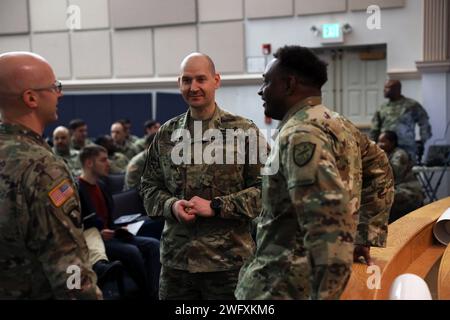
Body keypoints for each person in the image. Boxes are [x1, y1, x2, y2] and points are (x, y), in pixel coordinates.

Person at [235, 45, 393, 300]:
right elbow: (381, 167)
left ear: (288, 84)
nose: (261, 91)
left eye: (266, 82)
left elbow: (327, 222)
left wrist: (327, 293)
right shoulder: (338, 123)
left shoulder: (299, 134)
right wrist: (365, 234)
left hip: (284, 285)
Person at [140, 52, 266, 299]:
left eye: (201, 79)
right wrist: (172, 205)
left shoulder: (243, 131)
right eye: (186, 80)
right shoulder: (167, 134)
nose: (193, 87)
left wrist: (217, 207)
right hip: (177, 266)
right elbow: (148, 188)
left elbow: (268, 190)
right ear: (179, 84)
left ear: (216, 81)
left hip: (228, 266)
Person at [0, 51, 99, 299]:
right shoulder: (43, 167)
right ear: (31, 98)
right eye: (54, 87)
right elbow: (70, 268)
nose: (60, 93)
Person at [78, 144, 161, 299]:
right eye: (103, 160)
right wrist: (100, 233)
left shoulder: (101, 186)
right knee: (132, 251)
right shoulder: (77, 189)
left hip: (113, 234)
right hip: (96, 241)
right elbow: (79, 224)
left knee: (153, 244)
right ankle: (147, 294)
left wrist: (120, 229)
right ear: (89, 163)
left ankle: (155, 291)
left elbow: (108, 219)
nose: (108, 163)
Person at [370, 80, 432, 163]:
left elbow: (424, 122)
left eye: (387, 87)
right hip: (387, 149)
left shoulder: (411, 105)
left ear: (397, 89)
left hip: (406, 148)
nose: (384, 90)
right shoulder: (382, 108)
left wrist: (422, 141)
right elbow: (374, 129)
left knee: (405, 173)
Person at [377, 131, 424, 223]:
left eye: (383, 141)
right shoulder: (387, 153)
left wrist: (379, 158)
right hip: (397, 188)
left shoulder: (400, 154)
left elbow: (393, 173)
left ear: (392, 142)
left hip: (408, 190)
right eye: (379, 141)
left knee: (382, 197)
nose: (380, 144)